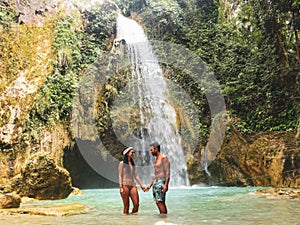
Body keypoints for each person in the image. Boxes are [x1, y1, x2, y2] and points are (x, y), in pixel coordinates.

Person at [118, 146, 145, 214]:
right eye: (132, 152)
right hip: (125, 185)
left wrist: (141, 185)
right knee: (126, 206)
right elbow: (120, 175)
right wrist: (121, 187)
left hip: (133, 185)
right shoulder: (122, 164)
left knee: (136, 204)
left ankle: (133, 220)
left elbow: (135, 175)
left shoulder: (132, 164)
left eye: (134, 152)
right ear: (127, 153)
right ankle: (126, 222)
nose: (133, 154)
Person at [145, 142, 170, 215]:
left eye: (151, 150)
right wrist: (149, 185)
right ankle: (163, 217)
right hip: (156, 182)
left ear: (156, 149)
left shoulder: (164, 158)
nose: (150, 152)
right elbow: (155, 174)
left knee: (160, 201)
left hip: (161, 181)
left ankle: (163, 218)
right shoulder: (156, 160)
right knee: (158, 201)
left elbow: (168, 172)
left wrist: (166, 185)